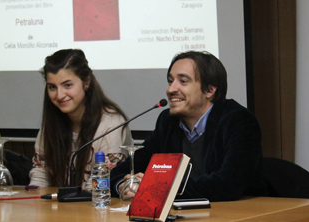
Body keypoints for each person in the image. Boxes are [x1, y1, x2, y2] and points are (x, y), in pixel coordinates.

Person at [111, 51, 266, 202]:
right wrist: (125, 187)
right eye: (170, 81)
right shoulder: (168, 122)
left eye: (183, 81)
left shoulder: (238, 121)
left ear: (210, 89)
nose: (171, 89)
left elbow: (229, 184)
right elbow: (123, 171)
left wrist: (159, 187)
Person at [29, 49, 133, 188]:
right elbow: (40, 174)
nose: (59, 95)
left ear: (86, 82)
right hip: (59, 206)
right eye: (52, 87)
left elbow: (99, 184)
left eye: (68, 85)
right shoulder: (51, 122)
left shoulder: (111, 123)